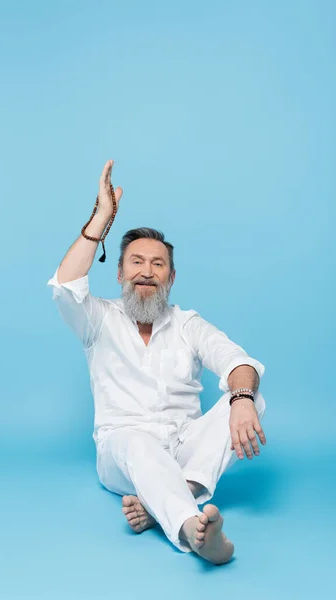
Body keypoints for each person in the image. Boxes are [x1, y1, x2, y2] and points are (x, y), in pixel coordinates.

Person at [47, 159, 267, 565]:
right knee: (137, 441)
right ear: (119, 274)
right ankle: (195, 533)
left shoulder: (187, 323)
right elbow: (64, 287)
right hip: (123, 449)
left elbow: (238, 361)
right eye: (136, 262)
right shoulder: (97, 319)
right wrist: (102, 217)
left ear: (171, 277)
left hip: (183, 446)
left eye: (157, 264)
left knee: (250, 396)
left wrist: (242, 398)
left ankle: (158, 504)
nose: (146, 272)